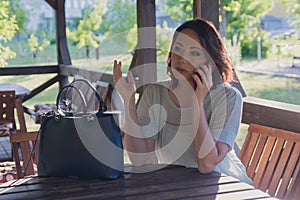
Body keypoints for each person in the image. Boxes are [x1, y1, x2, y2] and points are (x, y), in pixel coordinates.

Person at [113, 18, 252, 184]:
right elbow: (139, 159)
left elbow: (207, 164)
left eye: (194, 53)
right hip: (174, 186)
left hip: (227, 187)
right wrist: (128, 101)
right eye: (178, 49)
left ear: (210, 64)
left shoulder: (229, 98)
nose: (182, 58)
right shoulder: (155, 93)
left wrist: (197, 102)